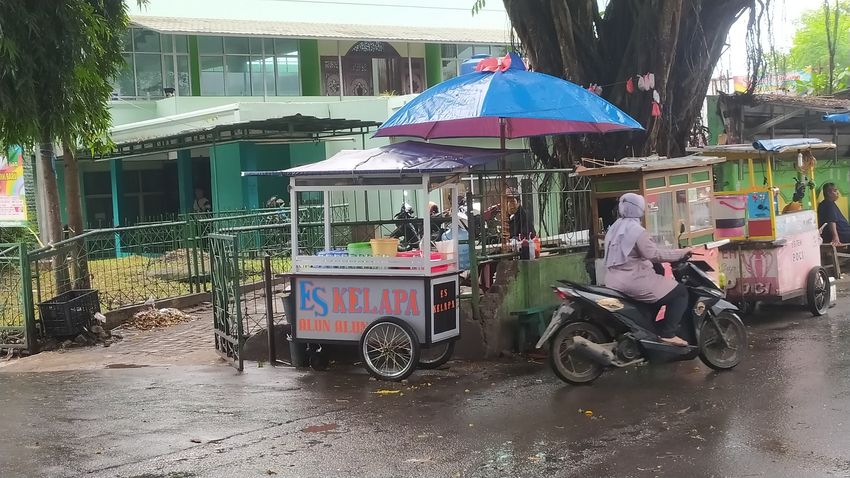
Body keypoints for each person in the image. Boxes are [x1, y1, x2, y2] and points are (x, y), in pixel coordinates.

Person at [604, 193, 691, 347]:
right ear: (639, 209)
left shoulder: (613, 229)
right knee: (680, 292)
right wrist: (681, 253)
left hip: (612, 281)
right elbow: (654, 254)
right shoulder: (637, 231)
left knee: (657, 292)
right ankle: (668, 334)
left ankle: (648, 331)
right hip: (634, 281)